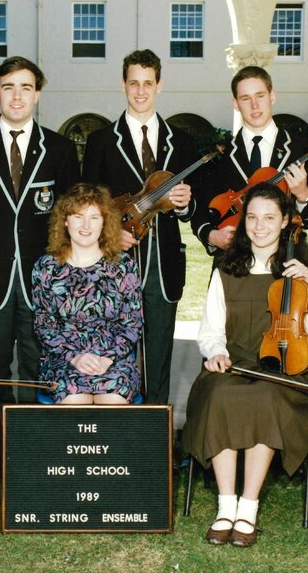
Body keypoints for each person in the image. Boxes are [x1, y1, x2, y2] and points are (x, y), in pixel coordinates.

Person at [181, 182, 308, 547]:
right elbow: (211, 330)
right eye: (252, 217)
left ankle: (248, 507)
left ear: (284, 222)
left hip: (285, 370)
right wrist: (216, 352)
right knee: (218, 396)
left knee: (264, 397)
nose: (259, 226)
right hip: (235, 365)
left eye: (269, 218)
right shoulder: (226, 268)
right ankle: (225, 505)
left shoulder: (302, 270)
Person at [0, 56, 79, 412]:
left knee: (43, 366)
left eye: (26, 87)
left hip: (43, 279)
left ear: (37, 94)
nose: (17, 96)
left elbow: (71, 216)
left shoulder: (60, 149)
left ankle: (37, 449)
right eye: (9, 88)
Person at [81, 49, 199, 405]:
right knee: (116, 353)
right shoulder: (101, 141)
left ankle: (157, 444)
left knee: (159, 355)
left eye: (148, 83)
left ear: (159, 85)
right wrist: (109, 234)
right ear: (123, 85)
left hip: (163, 266)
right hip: (116, 265)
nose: (141, 91)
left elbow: (195, 206)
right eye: (134, 83)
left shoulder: (182, 141)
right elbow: (88, 202)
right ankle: (122, 437)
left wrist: (184, 204)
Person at [191, 66, 308, 255]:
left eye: (260, 96)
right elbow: (200, 210)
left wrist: (303, 195)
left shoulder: (301, 149)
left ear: (272, 96)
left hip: (286, 263)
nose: (254, 105)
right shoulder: (219, 156)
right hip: (232, 264)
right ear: (235, 104)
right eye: (245, 98)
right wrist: (211, 236)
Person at [31, 183, 144, 404]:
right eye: (77, 217)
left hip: (114, 360)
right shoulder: (46, 267)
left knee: (113, 396)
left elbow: (133, 325)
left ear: (105, 223)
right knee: (74, 397)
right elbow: (44, 325)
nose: (85, 225)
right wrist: (75, 357)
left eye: (94, 217)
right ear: (65, 221)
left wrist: (107, 359)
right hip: (64, 360)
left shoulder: (124, 267)